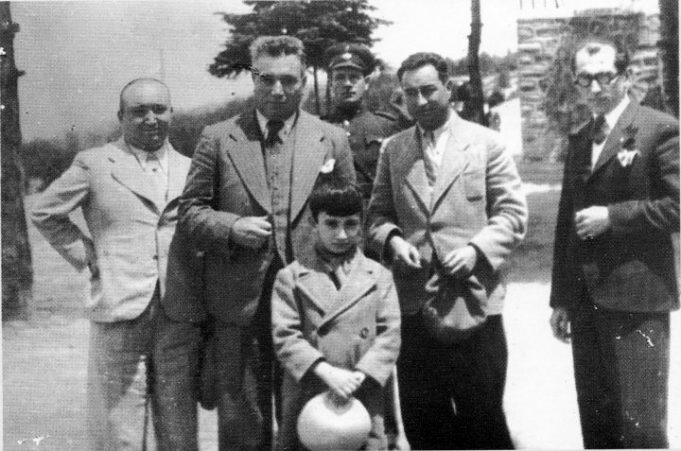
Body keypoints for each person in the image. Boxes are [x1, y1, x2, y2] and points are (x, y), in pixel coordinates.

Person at [166, 36, 356, 450]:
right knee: (242, 419)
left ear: (303, 82)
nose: (277, 90)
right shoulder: (219, 138)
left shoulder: (331, 139)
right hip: (239, 304)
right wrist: (232, 227)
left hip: (311, 302)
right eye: (266, 79)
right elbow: (190, 213)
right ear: (253, 80)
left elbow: (350, 215)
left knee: (308, 415)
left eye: (288, 80)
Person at [367, 52, 527, 450]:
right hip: (415, 308)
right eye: (410, 94)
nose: (420, 101)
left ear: (449, 88)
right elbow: (377, 217)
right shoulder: (393, 149)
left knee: (483, 423)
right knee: (425, 426)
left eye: (428, 90)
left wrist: (476, 250)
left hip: (475, 304)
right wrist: (393, 240)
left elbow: (512, 215)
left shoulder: (487, 143)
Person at [30, 78, 192, 450]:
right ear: (121, 117)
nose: (150, 119)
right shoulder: (95, 163)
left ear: (171, 113)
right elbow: (45, 212)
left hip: (179, 315)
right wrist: (88, 256)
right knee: (121, 432)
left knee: (180, 430)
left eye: (159, 109)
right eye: (139, 111)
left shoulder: (192, 167)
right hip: (120, 311)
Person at [549, 36, 679, 449]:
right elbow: (567, 224)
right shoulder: (579, 138)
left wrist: (614, 217)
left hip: (638, 301)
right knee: (598, 426)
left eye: (604, 76)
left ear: (626, 76)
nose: (595, 87)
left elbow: (678, 206)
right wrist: (561, 299)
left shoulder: (658, 128)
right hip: (586, 304)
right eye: (584, 78)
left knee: (640, 428)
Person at [271, 179, 401, 451]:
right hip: (310, 390)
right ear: (313, 223)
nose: (342, 235)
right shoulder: (290, 277)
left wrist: (359, 376)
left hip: (362, 390)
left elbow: (390, 336)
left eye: (351, 224)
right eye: (331, 224)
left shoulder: (378, 276)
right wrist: (327, 373)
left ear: (361, 224)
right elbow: (285, 337)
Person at [323, 43, 410, 200]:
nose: (347, 84)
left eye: (354, 77)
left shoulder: (387, 126)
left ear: (367, 82)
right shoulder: (318, 129)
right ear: (331, 83)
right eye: (340, 77)